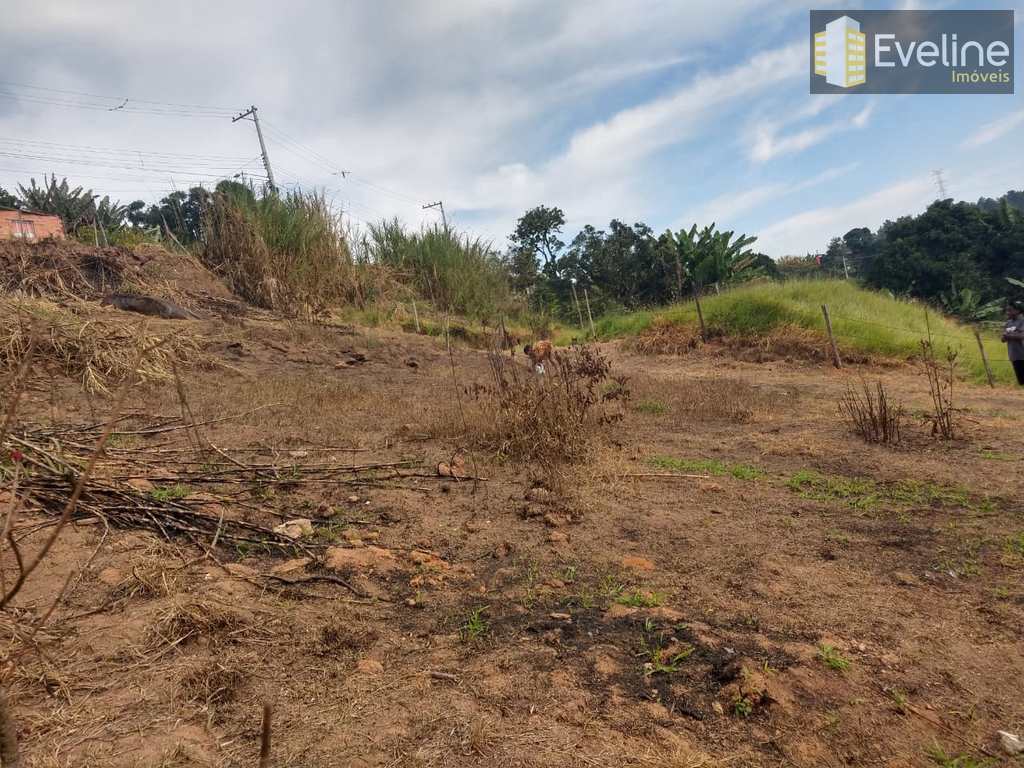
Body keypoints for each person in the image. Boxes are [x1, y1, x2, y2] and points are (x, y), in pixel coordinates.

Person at [1002, 302, 1024, 385]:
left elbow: (1022, 336)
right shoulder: (1008, 323)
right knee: (1021, 381)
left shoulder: (1022, 321)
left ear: (1018, 311)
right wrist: (1005, 336)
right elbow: (1003, 339)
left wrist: (1008, 335)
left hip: (1023, 354)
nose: (1007, 312)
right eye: (1007, 310)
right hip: (1014, 355)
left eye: (1010, 310)